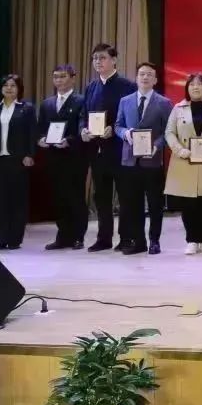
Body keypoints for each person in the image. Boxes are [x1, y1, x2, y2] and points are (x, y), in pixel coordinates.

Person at [80, 43, 136, 252]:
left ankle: (126, 238)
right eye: (95, 58)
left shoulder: (127, 86)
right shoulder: (91, 87)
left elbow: (132, 117)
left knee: (124, 195)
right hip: (97, 150)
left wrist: (114, 129)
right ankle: (103, 238)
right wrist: (83, 130)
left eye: (102, 58)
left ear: (114, 60)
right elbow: (84, 115)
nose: (98, 62)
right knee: (101, 196)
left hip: (119, 149)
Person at [114, 62, 174, 255]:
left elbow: (169, 132)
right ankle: (138, 241)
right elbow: (117, 125)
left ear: (155, 79)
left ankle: (154, 240)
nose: (145, 77)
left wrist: (157, 145)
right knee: (133, 204)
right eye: (141, 74)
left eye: (149, 74)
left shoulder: (164, 103)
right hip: (129, 161)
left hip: (152, 161)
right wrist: (125, 133)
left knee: (155, 204)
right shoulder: (125, 101)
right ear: (136, 77)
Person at [164, 73, 202, 255]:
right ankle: (191, 240)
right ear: (187, 88)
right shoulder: (178, 108)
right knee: (188, 204)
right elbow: (169, 132)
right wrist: (179, 150)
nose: (196, 87)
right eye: (192, 85)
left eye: (200, 84)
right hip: (185, 160)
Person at [37, 64, 88, 250]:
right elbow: (40, 128)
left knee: (75, 196)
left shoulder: (81, 101)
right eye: (56, 77)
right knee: (58, 197)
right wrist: (41, 139)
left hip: (74, 157)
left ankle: (78, 236)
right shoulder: (47, 104)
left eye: (63, 76)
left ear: (73, 78)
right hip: (53, 157)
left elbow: (83, 127)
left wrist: (69, 141)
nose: (59, 80)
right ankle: (63, 236)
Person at [0, 74, 36, 250]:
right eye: (6, 85)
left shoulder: (26, 109)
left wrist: (30, 154)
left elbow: (32, 133)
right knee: (1, 201)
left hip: (19, 160)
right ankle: (3, 237)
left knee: (18, 201)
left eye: (13, 85)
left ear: (19, 89)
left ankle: (15, 238)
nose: (9, 88)